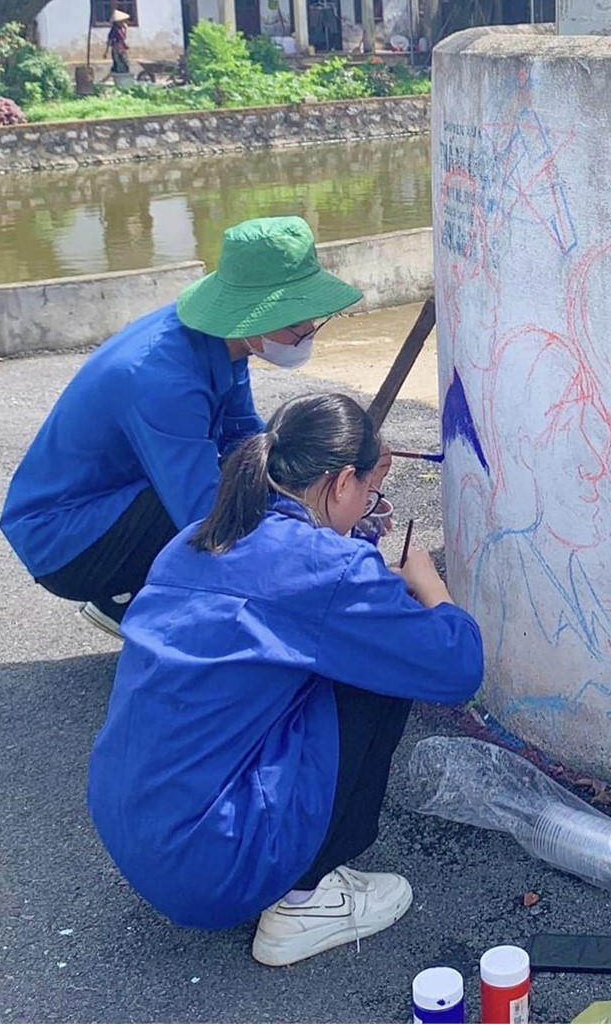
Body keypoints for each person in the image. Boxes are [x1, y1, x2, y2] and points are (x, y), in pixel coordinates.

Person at [87, 392, 483, 966]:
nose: (370, 503)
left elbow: (287, 598)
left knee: (350, 648)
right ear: (344, 481)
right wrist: (429, 584)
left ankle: (283, 860)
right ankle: (304, 902)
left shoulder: (199, 535)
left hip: (137, 829)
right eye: (370, 491)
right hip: (211, 864)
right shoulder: (330, 569)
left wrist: (354, 554)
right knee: (386, 666)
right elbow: (456, 667)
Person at [0, 215, 363, 637]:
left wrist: (320, 489)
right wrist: (310, 548)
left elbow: (248, 441)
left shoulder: (223, 341)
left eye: (309, 317)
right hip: (65, 542)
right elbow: (204, 511)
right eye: (296, 322)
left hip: (116, 499)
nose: (307, 332)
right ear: (251, 314)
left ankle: (139, 596)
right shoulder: (159, 378)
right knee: (226, 510)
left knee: (244, 475)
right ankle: (152, 603)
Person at [107, 9, 131, 77]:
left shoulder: (120, 29)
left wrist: (125, 29)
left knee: (121, 65)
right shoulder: (116, 30)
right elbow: (121, 40)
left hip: (119, 49)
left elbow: (123, 38)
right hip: (118, 49)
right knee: (121, 65)